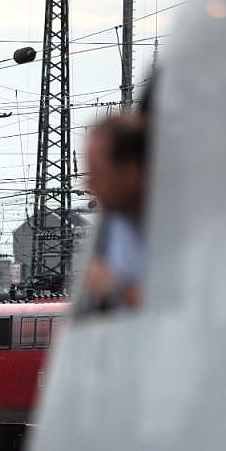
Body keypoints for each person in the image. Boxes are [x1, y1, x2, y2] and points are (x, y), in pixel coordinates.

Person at [80, 111, 149, 313]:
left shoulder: (182, 226)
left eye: (98, 175)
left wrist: (117, 288)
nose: (88, 186)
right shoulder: (113, 226)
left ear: (131, 170)